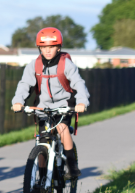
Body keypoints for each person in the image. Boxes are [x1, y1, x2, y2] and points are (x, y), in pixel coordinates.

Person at [11, 27, 89, 179]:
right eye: (44, 47)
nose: (47, 51)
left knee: (62, 128)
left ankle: (72, 167)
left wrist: (82, 102)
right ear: (39, 48)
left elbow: (79, 83)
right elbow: (24, 85)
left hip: (63, 105)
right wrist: (18, 101)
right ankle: (41, 180)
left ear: (59, 47)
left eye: (51, 47)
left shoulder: (66, 64)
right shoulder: (34, 65)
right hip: (43, 107)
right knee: (42, 140)